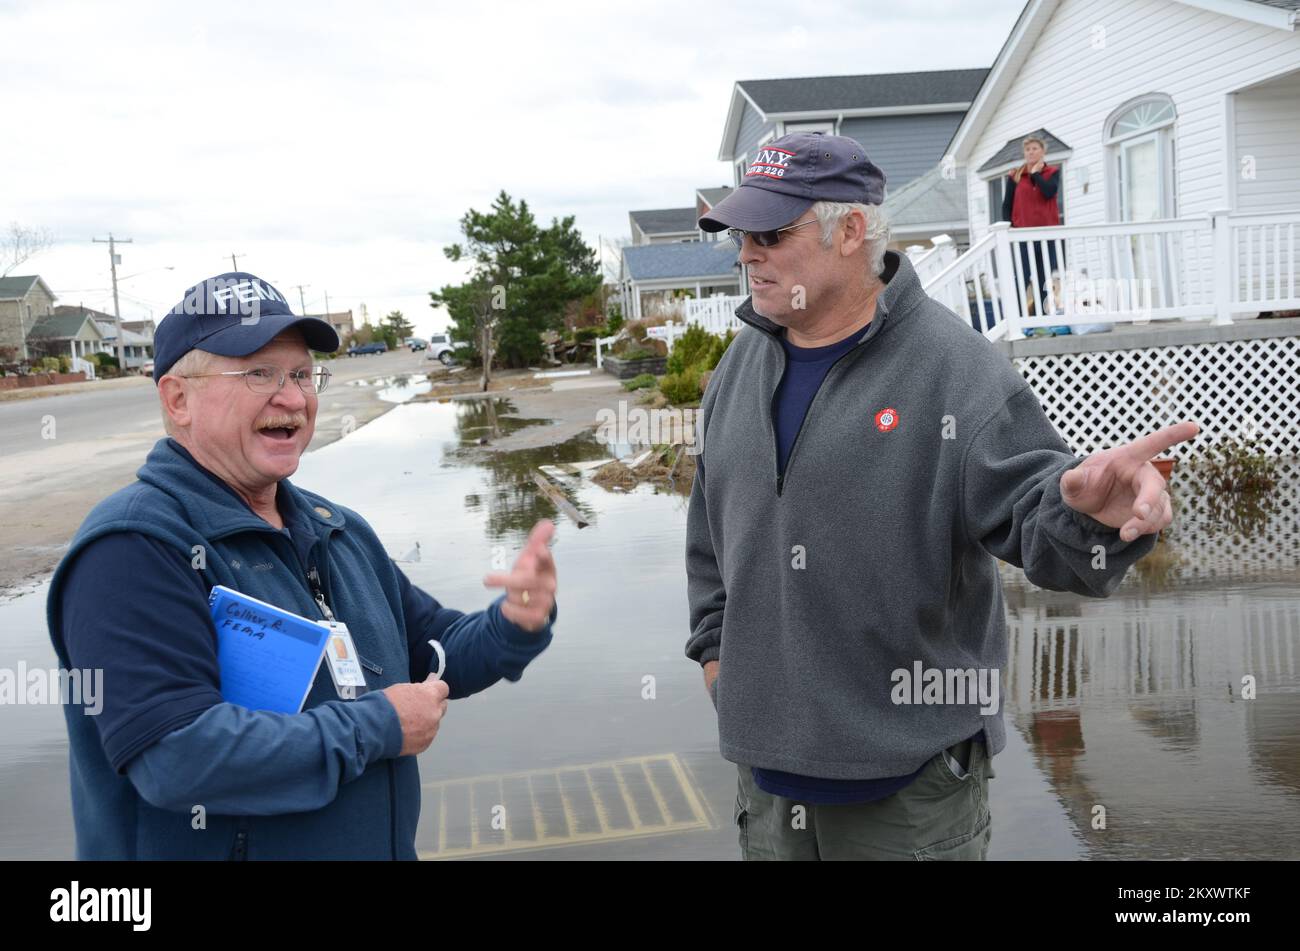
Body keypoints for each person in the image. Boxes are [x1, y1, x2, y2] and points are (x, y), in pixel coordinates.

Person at [688, 131, 1195, 860]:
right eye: (741, 235)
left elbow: (1038, 517)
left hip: (909, 794)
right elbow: (709, 536)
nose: (747, 253)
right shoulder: (739, 366)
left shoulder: (955, 371)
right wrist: (717, 658)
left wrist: (1091, 517)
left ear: (851, 231)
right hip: (767, 788)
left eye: (770, 232)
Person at [46, 272, 558, 860]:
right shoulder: (133, 548)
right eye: (258, 373)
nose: (292, 397)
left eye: (301, 374)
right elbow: (176, 758)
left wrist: (514, 623)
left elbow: (433, 651)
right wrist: (378, 727)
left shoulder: (336, 529)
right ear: (178, 398)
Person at [1002, 134, 1065, 320]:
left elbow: (1049, 192)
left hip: (1046, 236)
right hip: (1022, 235)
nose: (1031, 152)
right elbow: (1007, 205)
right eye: (1028, 149)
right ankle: (1018, 318)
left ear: (1043, 151)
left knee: (1043, 278)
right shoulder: (1016, 176)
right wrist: (1008, 228)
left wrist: (1036, 174)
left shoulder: (1052, 172)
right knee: (1022, 277)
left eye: (1035, 148)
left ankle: (1042, 317)